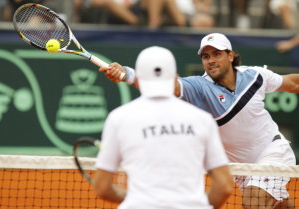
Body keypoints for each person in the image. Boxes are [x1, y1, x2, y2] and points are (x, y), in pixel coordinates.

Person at [99, 33, 298, 209]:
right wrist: (126, 74)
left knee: (254, 200)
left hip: (272, 151)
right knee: (278, 204)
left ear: (230, 55)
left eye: (217, 54)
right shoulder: (200, 87)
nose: (211, 60)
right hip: (241, 168)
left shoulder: (255, 76)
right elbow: (170, 84)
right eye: (206, 56)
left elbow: (292, 83)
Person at [94, 46, 233, 209]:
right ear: (175, 78)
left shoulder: (118, 118)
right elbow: (224, 186)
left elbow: (102, 188)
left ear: (137, 79)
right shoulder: (203, 120)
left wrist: (139, 200)